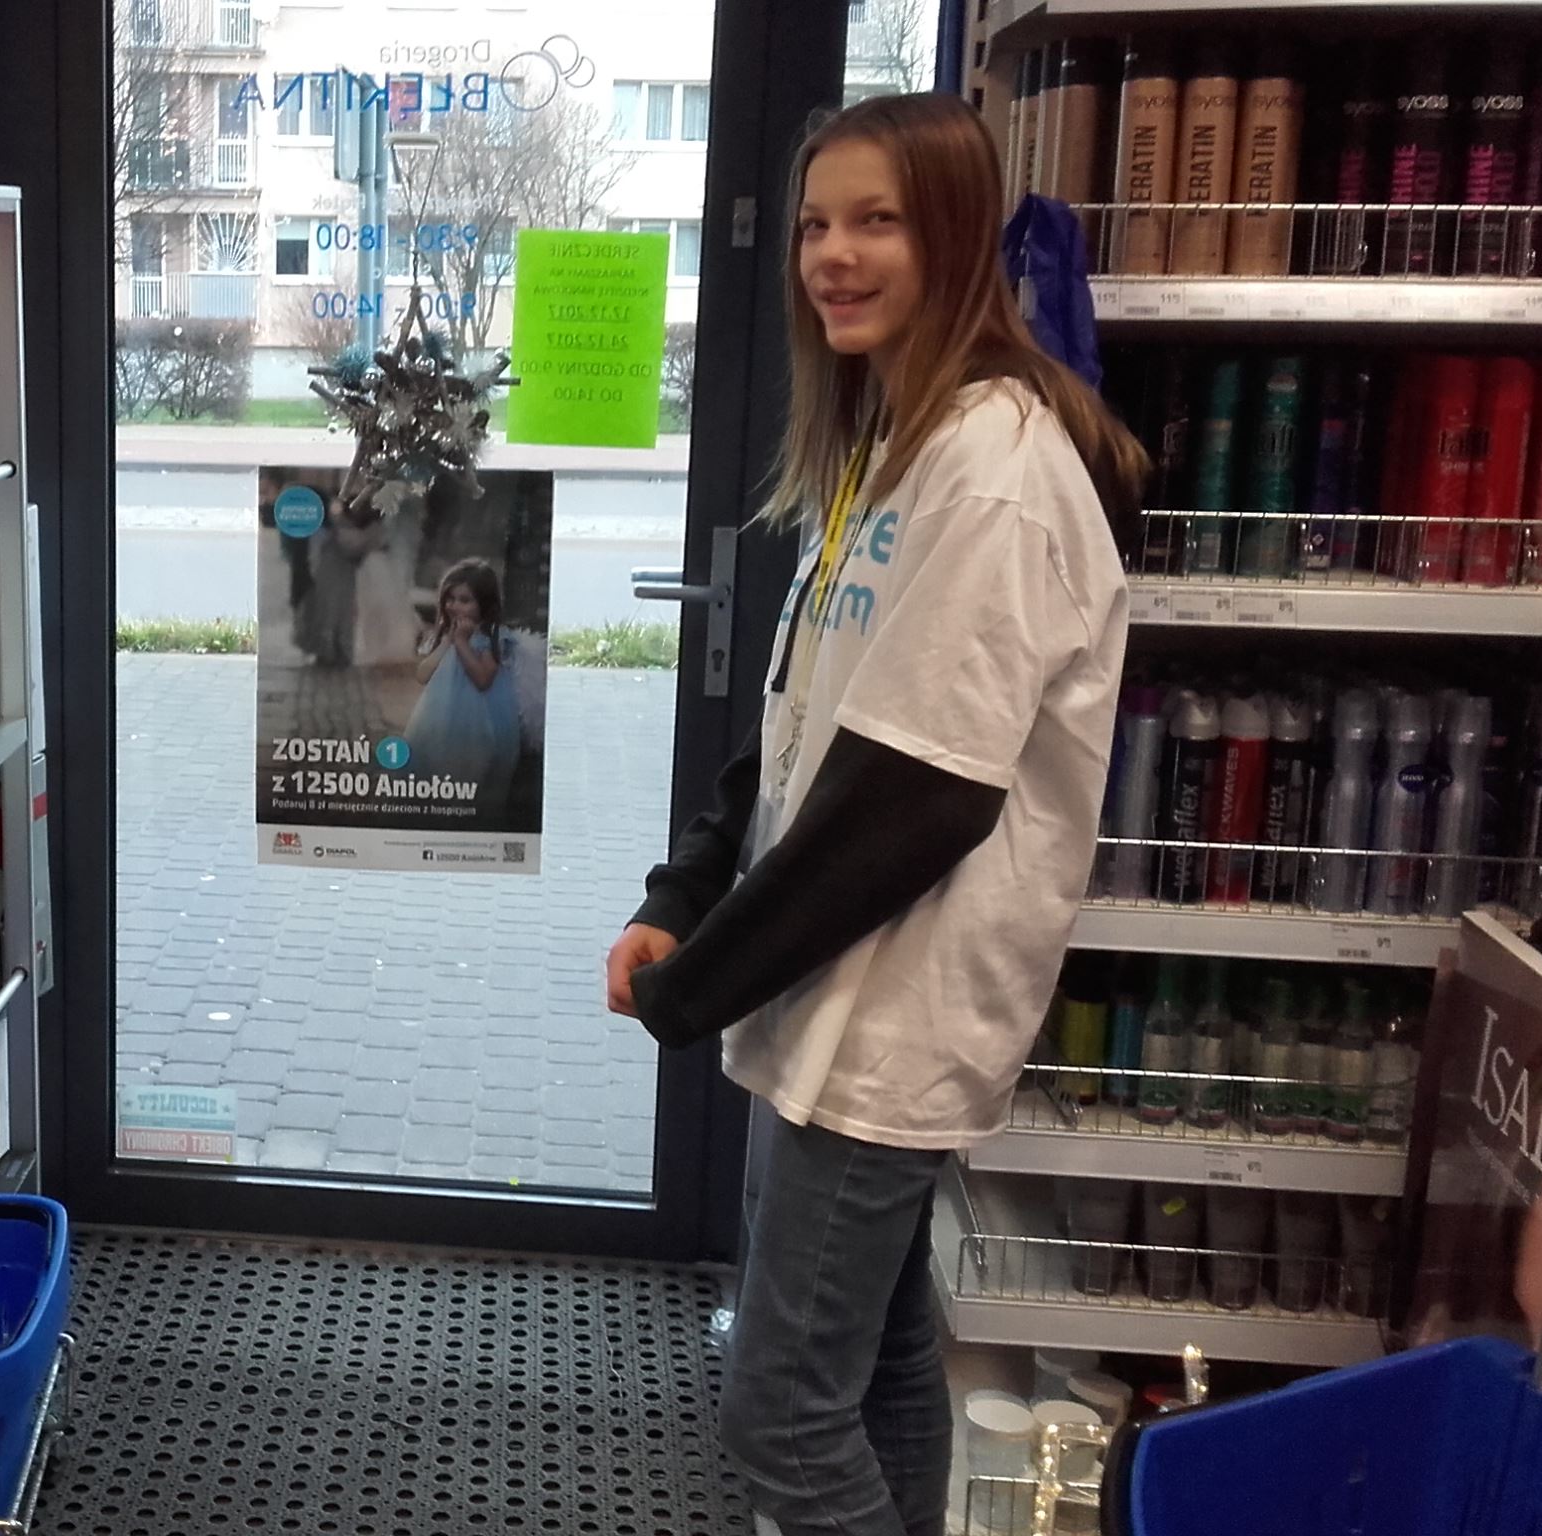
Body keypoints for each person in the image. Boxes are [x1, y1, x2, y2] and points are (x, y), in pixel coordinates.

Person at [603, 95, 1145, 1536]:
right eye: (815, 226)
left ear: (954, 235)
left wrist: (702, 983)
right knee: (884, 1368)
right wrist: (682, 896)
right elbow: (803, 720)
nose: (831, 257)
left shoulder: (997, 473)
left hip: (892, 1018)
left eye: (876, 222)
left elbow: (911, 800)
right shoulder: (892, 440)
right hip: (831, 1001)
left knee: (781, 1414)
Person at [403, 557, 521, 822]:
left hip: (482, 718)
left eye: (465, 600)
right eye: (450, 599)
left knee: (473, 768)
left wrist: (462, 643)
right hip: (443, 714)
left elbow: (483, 679)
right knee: (440, 762)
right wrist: (448, 641)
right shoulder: (445, 634)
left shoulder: (492, 637)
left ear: (484, 603)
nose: (454, 606)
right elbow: (422, 675)